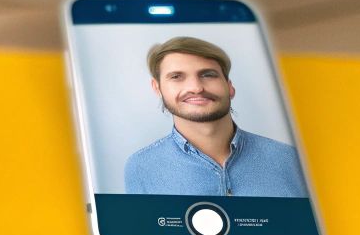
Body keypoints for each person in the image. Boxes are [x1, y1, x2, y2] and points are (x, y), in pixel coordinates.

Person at [123, 36, 306, 198]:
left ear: (229, 86)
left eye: (208, 75)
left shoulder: (290, 160)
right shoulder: (141, 167)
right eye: (177, 77)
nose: (196, 87)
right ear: (157, 88)